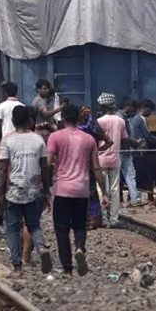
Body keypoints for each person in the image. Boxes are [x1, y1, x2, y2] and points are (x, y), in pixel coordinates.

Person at [46, 102, 106, 276]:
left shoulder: (55, 137)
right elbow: (96, 167)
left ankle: (67, 270)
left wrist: (44, 185)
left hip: (63, 189)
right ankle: (80, 248)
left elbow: (48, 163)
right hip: (82, 190)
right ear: (79, 118)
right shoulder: (89, 139)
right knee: (80, 225)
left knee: (61, 229)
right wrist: (105, 191)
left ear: (63, 118)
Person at [0, 103, 54, 276]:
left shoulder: (8, 140)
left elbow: (3, 169)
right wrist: (46, 191)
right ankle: (41, 248)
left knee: (13, 229)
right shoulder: (38, 139)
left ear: (13, 121)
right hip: (34, 189)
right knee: (34, 225)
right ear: (30, 121)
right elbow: (45, 167)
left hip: (14, 191)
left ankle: (17, 267)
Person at [94, 95, 127, 226]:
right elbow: (124, 139)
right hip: (115, 159)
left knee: (101, 189)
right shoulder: (120, 121)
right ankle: (114, 219)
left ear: (103, 106)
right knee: (115, 190)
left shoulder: (99, 121)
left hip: (101, 159)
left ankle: (103, 218)